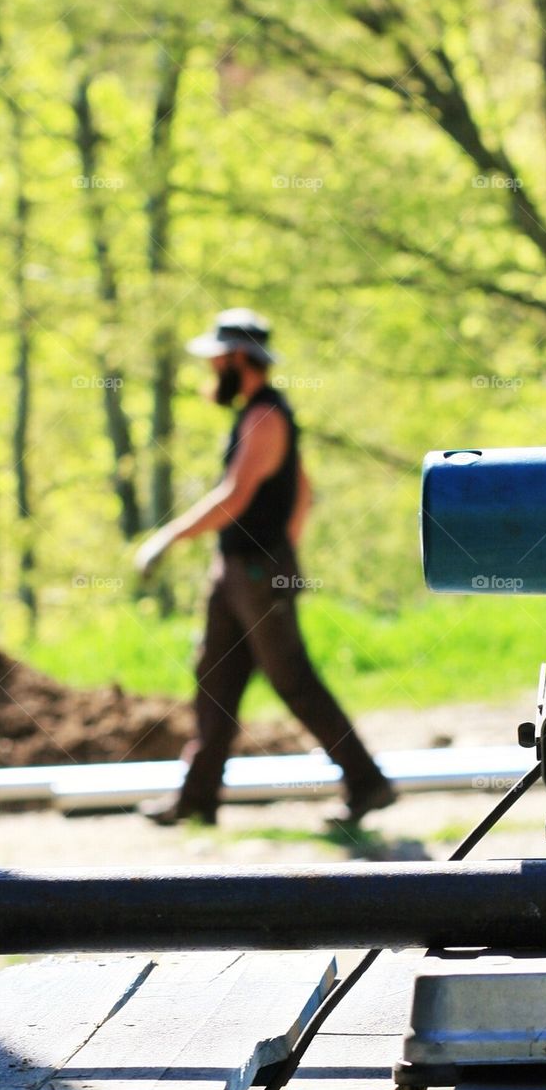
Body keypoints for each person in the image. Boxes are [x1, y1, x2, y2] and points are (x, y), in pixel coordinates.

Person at [134, 308, 396, 826]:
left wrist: (168, 537)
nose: (211, 369)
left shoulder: (265, 417)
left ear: (238, 359)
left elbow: (234, 496)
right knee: (215, 681)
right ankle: (196, 801)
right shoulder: (254, 414)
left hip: (256, 574)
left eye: (217, 360)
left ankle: (368, 783)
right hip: (236, 571)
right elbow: (304, 491)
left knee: (292, 680)